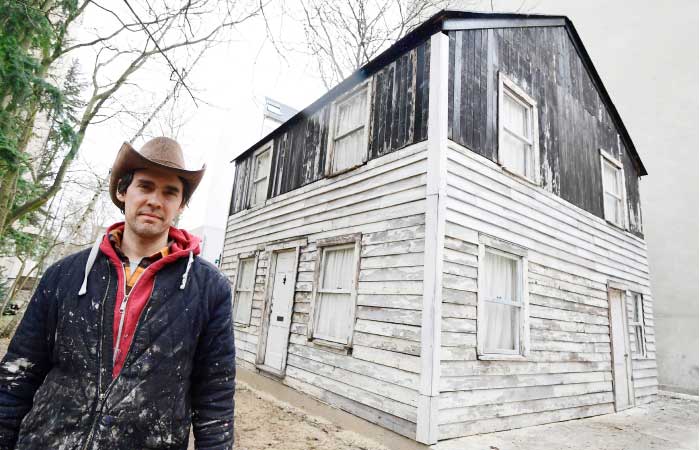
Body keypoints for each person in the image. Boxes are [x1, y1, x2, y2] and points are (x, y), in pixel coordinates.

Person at [0, 137, 236, 449]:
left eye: (170, 192)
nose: (155, 200)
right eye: (146, 186)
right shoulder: (64, 275)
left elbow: (215, 397)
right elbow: (19, 374)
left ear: (180, 205)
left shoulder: (208, 289)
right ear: (123, 192)